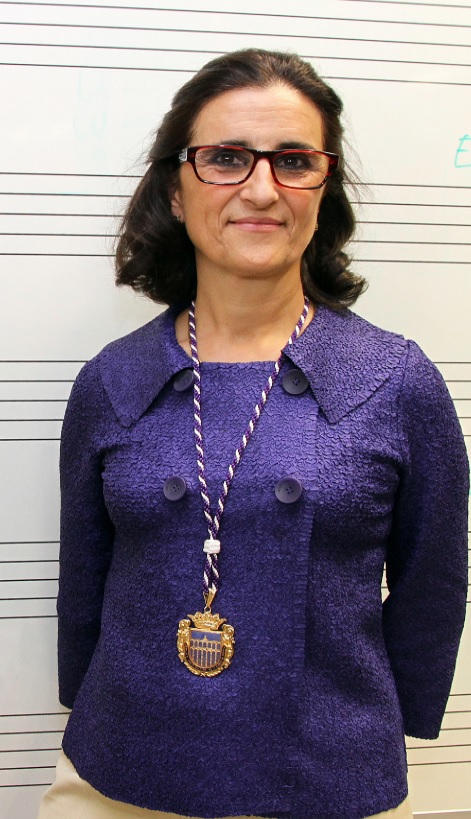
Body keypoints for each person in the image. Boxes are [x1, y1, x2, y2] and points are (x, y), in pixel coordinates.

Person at [38, 49, 469, 819]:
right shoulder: (112, 381)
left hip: (326, 781)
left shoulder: (394, 380)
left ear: (323, 188)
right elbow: (83, 588)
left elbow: (431, 587)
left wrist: (371, 729)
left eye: (294, 161)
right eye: (226, 158)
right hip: (120, 774)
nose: (262, 189)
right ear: (176, 189)